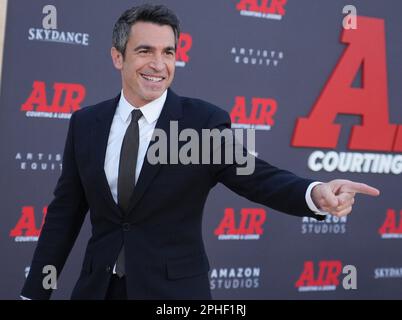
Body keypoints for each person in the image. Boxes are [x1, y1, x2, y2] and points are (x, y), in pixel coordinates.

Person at [21, 4, 379, 300]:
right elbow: (64, 213)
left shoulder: (201, 122)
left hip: (174, 294)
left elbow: (256, 177)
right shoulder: (86, 123)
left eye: (168, 52)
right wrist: (33, 292)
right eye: (145, 51)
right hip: (98, 290)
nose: (158, 65)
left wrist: (314, 193)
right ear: (118, 56)